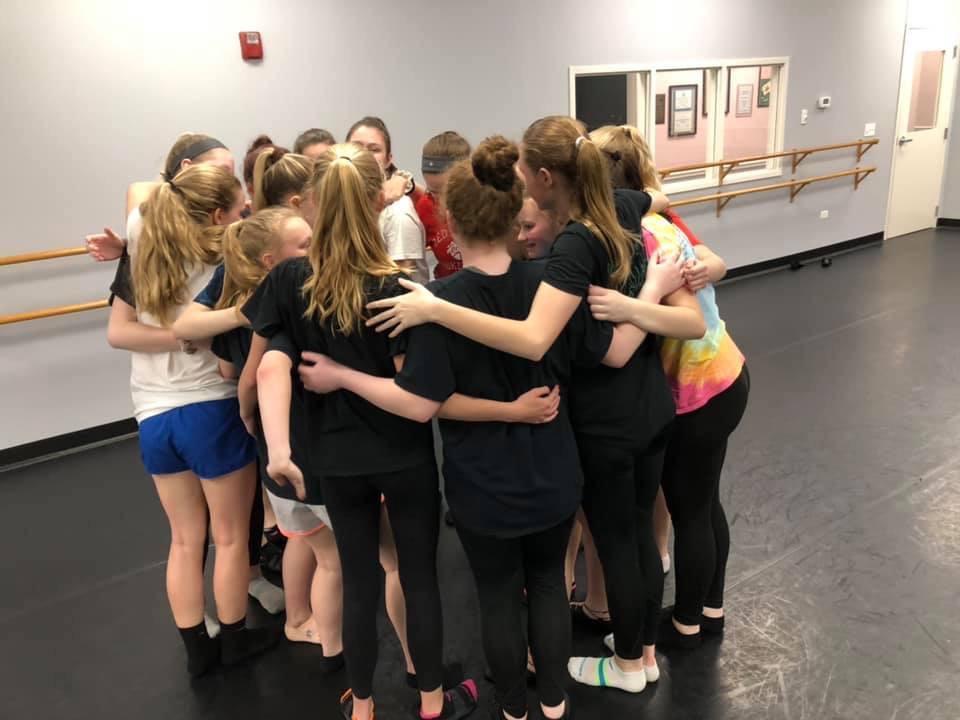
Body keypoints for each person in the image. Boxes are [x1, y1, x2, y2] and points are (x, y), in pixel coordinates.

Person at [365, 116, 705, 693]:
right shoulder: (614, 208)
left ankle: (628, 663)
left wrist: (436, 308)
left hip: (603, 422)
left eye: (525, 172)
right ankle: (641, 653)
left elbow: (535, 339)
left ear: (545, 180)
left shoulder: (567, 251)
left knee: (612, 546)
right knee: (632, 539)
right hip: (644, 408)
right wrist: (671, 280)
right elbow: (657, 195)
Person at [244, 143, 478, 720]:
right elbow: (417, 401)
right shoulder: (397, 290)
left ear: (312, 204)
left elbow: (270, 364)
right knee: (418, 577)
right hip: (402, 458)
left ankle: (365, 707)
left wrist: (277, 445)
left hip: (336, 462)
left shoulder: (290, 280)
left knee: (359, 579)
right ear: (377, 202)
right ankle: (432, 703)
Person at [105, 164, 278, 676]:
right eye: (239, 209)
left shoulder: (144, 249)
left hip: (153, 415)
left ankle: (198, 651)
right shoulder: (221, 259)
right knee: (230, 536)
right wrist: (191, 335)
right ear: (219, 215)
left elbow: (119, 332)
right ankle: (234, 638)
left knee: (183, 539)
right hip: (209, 407)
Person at [589, 124, 749, 650]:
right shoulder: (659, 218)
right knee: (705, 502)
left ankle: (686, 622)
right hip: (727, 374)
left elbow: (681, 316)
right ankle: (709, 608)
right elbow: (708, 262)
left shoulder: (643, 233)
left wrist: (626, 306)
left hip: (699, 390)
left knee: (690, 511)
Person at [171, 208, 348, 658]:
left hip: (276, 447)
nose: (315, 248)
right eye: (304, 244)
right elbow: (251, 374)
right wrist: (248, 411)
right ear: (270, 260)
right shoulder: (275, 309)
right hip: (299, 445)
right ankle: (331, 644)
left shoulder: (243, 300)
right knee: (331, 556)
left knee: (301, 538)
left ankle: (296, 618)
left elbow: (226, 368)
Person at [85, 133, 234, 262]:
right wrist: (127, 245)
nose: (230, 181)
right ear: (187, 166)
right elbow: (152, 243)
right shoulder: (144, 193)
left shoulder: (223, 210)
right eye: (223, 170)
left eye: (232, 174)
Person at [347, 116, 429, 284]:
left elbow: (401, 283)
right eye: (357, 147)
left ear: (388, 160)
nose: (365, 155)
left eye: (374, 149)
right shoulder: (342, 202)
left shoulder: (398, 212)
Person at [415, 132, 471, 278]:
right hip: (447, 286)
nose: (441, 200)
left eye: (447, 191)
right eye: (433, 192)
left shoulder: (485, 203)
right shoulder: (426, 207)